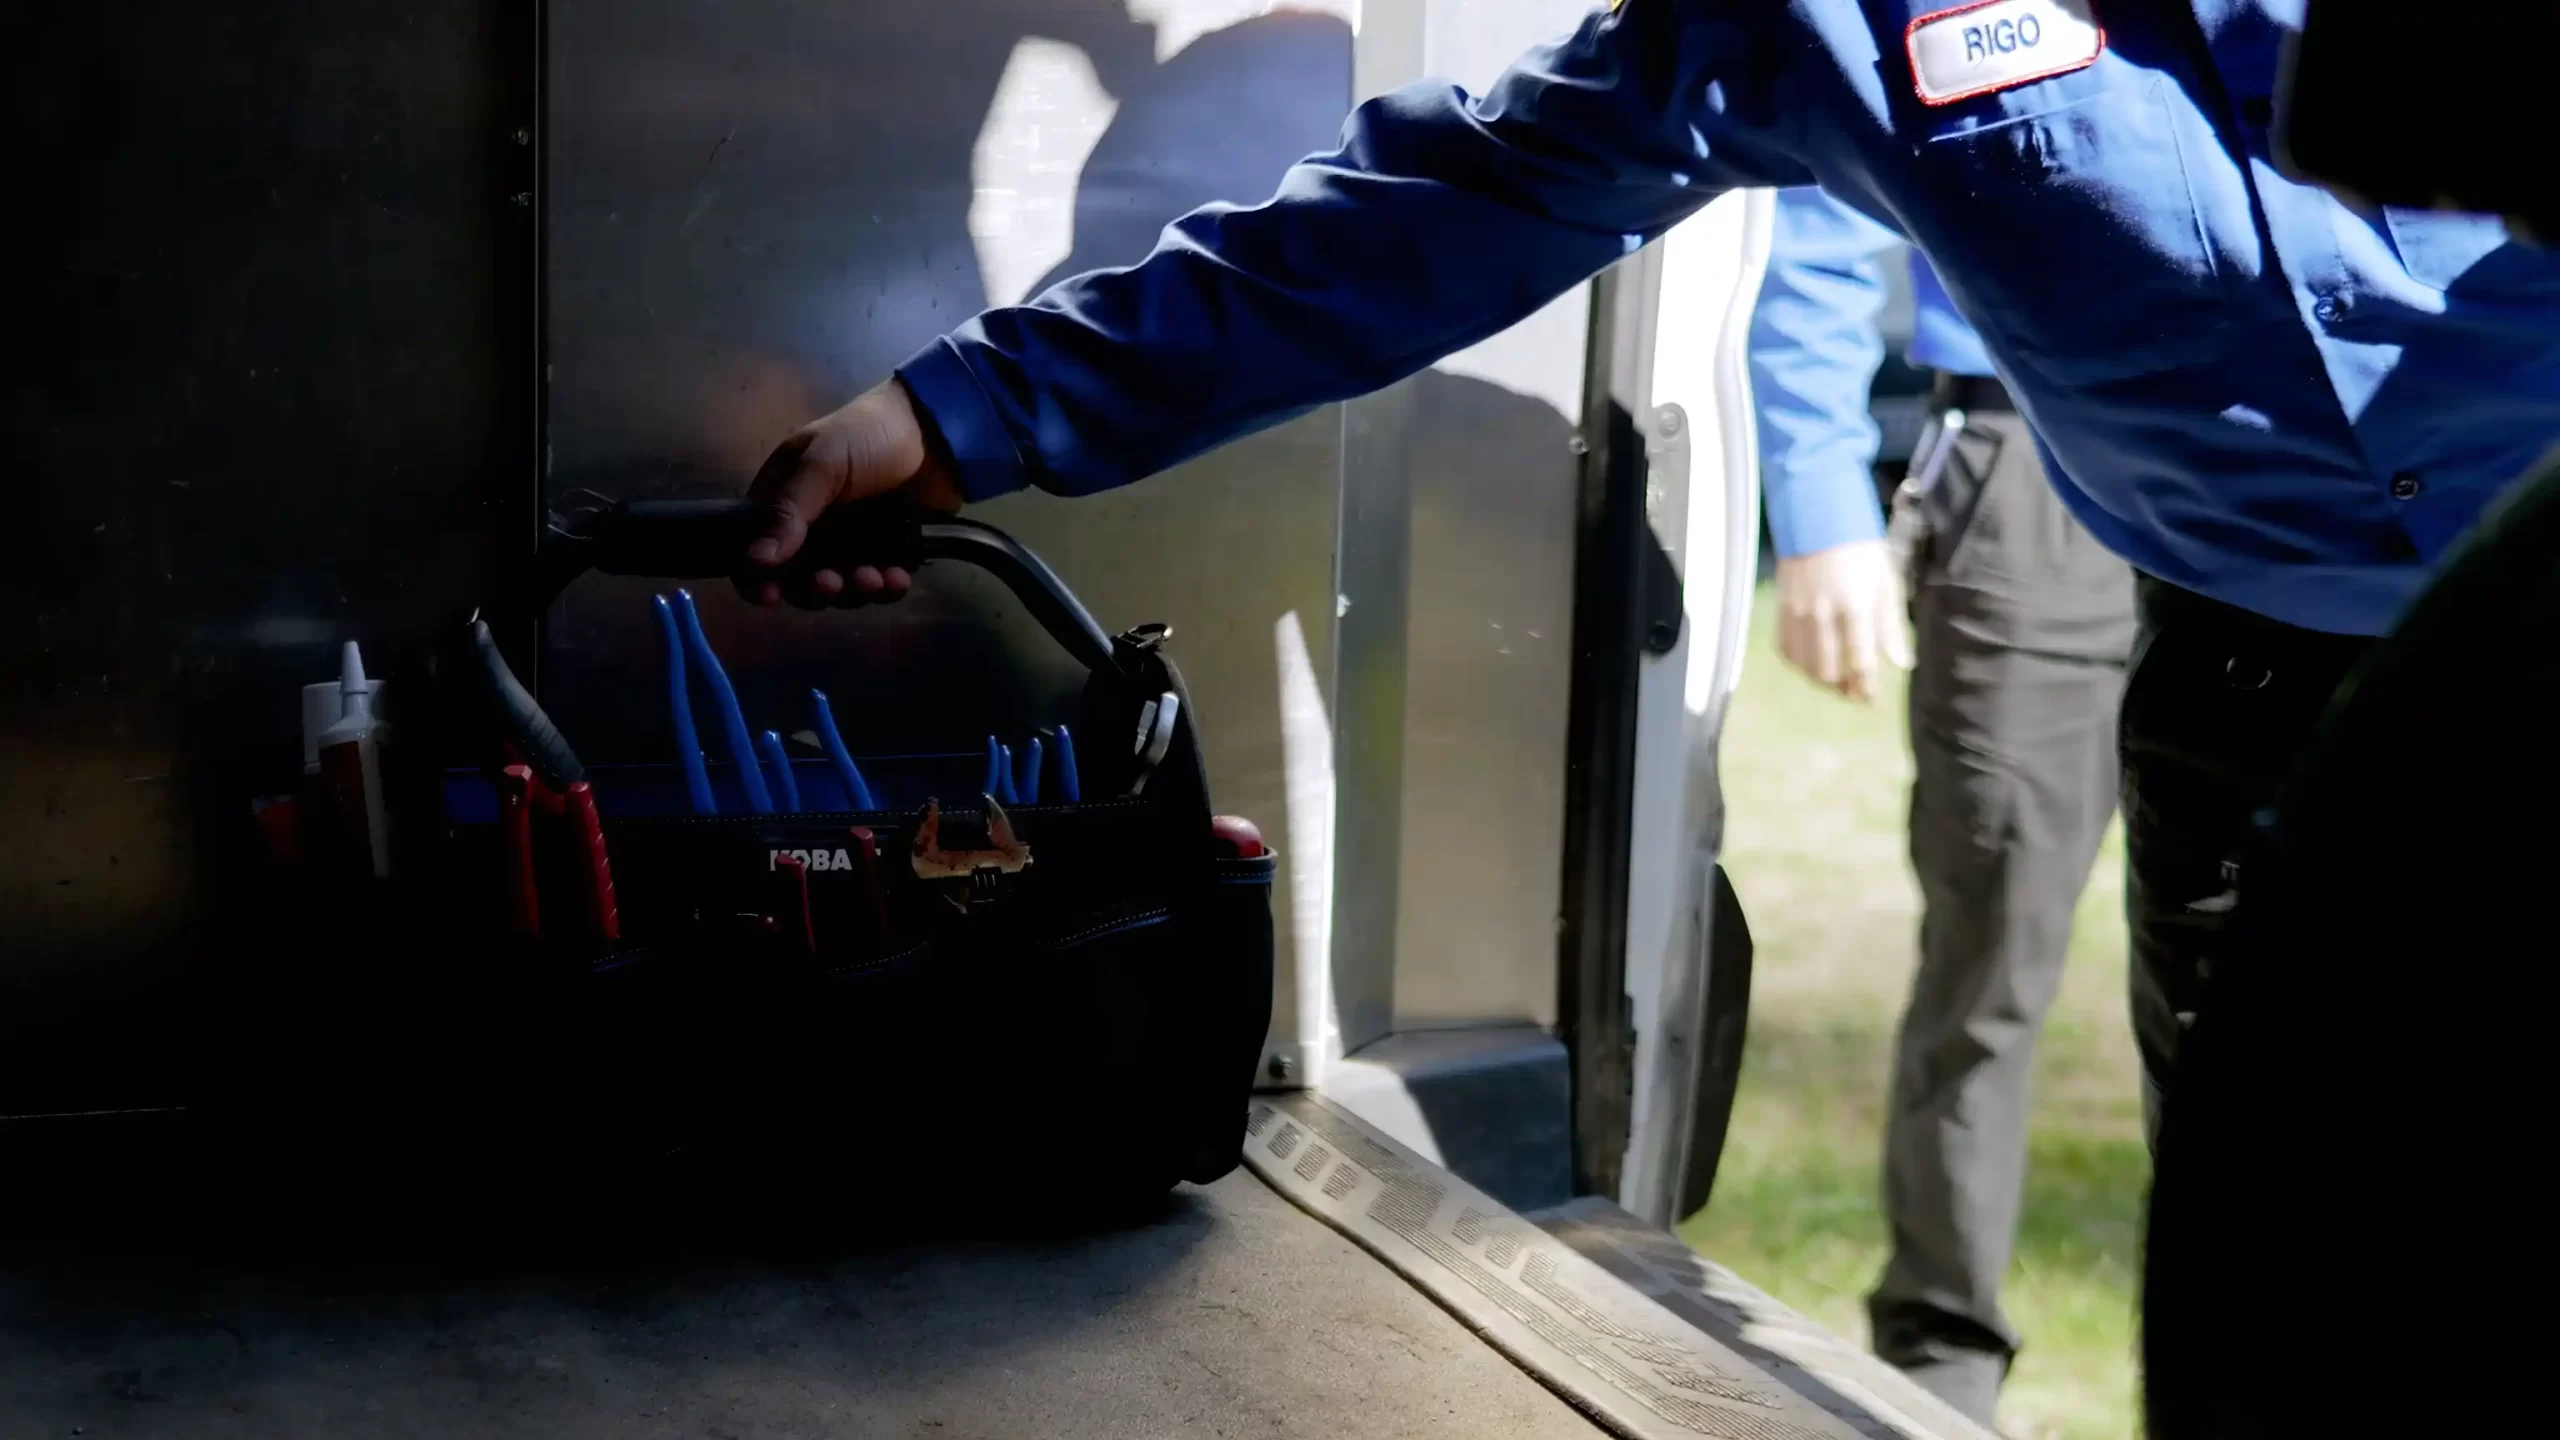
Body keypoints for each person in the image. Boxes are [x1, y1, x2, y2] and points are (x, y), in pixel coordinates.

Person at [723, 0, 2557, 1412]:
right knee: (2311, 1306)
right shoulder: (1824, 15)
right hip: (2265, 706)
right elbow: (1467, 198)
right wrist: (962, 416)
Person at [1749, 183, 2134, 1424]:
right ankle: (1940, 1374)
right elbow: (1818, 220)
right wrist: (1818, 498)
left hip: (2315, 485)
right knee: (1989, 958)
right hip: (2031, 472)